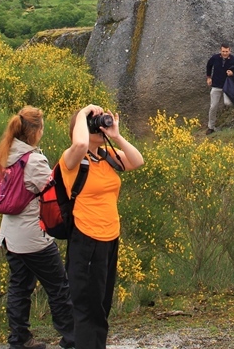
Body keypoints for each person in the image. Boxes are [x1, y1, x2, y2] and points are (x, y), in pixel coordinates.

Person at [0, 106, 76, 349]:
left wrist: (12, 198)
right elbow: (55, 191)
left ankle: (19, 339)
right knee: (58, 286)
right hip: (34, 237)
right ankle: (72, 338)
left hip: (10, 236)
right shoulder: (33, 160)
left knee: (19, 287)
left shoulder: (5, 154)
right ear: (35, 131)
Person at [59, 104, 145, 349]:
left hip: (109, 238)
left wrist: (115, 135)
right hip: (86, 238)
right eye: (93, 123)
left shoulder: (106, 157)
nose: (99, 125)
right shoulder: (72, 159)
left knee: (101, 305)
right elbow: (79, 145)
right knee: (86, 307)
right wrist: (84, 112)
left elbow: (138, 161)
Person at [205, 43, 234, 133]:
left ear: (229, 51)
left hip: (227, 85)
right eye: (223, 51)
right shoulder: (215, 58)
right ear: (220, 50)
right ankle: (211, 127)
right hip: (216, 85)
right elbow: (209, 65)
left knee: (228, 103)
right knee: (213, 106)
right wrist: (208, 77)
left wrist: (232, 73)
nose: (225, 53)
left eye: (226, 51)